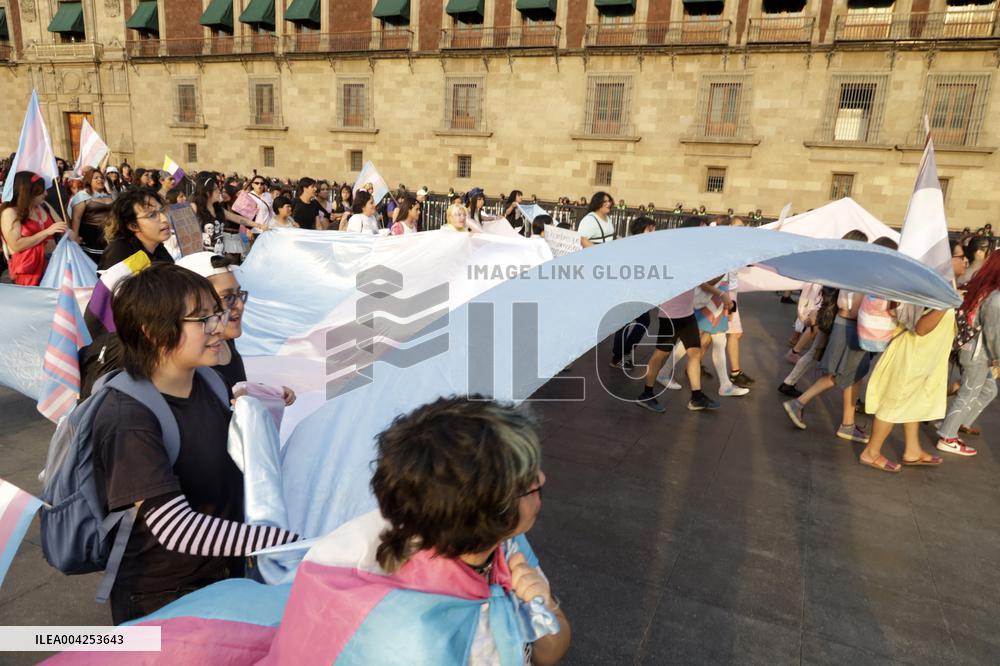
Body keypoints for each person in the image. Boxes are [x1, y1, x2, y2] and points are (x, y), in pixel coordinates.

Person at [266, 397, 570, 664]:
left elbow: (550, 650)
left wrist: (544, 605)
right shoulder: (419, 639)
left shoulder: (502, 543)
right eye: (525, 481)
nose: (540, 479)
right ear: (485, 513)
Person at [91, 263, 300, 623]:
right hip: (163, 601)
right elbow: (174, 526)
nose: (219, 326)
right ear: (154, 331)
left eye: (215, 314)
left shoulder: (209, 381)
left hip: (225, 580)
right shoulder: (127, 418)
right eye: (203, 319)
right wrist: (281, 541)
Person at [859, 302, 956, 472]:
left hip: (921, 355)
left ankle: (913, 450)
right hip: (910, 354)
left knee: (912, 400)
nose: (965, 272)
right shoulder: (937, 283)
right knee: (893, 401)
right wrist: (946, 304)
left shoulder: (947, 283)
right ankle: (871, 452)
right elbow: (921, 327)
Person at [935, 251, 1000, 455]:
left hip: (973, 349)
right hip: (980, 352)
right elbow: (993, 331)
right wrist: (998, 359)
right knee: (969, 392)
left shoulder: (980, 288)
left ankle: (952, 424)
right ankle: (948, 435)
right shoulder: (995, 296)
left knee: (988, 390)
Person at [0, 171, 67, 285]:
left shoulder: (44, 205)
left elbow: (62, 227)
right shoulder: (10, 212)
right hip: (30, 272)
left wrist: (69, 234)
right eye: (41, 191)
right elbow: (16, 245)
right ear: (27, 192)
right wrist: (46, 232)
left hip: (54, 265)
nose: (45, 193)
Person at [610, 217, 655, 369]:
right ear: (641, 229)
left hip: (639, 292)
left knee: (641, 322)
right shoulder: (631, 245)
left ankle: (623, 353)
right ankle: (619, 356)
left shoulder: (646, 246)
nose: (653, 232)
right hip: (628, 291)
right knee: (628, 323)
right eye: (650, 229)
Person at [99, 188, 174, 270]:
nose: (164, 219)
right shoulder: (120, 253)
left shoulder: (158, 249)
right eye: (152, 215)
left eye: (162, 211)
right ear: (133, 226)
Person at [69, 167, 114, 262]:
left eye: (101, 178)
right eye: (96, 178)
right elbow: (76, 218)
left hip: (110, 233)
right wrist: (75, 236)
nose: (100, 180)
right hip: (92, 235)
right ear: (89, 181)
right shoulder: (82, 196)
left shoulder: (109, 195)